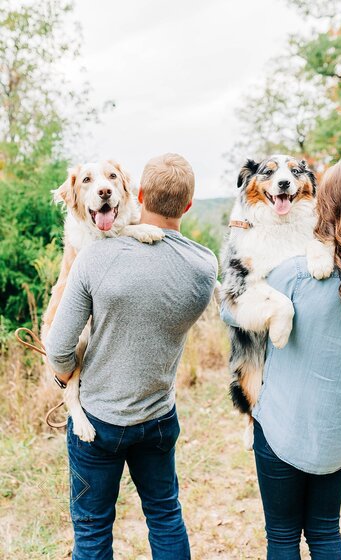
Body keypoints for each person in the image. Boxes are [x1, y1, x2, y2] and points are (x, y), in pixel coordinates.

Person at [221, 154, 341, 559]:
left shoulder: (295, 273)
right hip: (338, 432)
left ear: (327, 200)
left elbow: (229, 305)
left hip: (283, 427)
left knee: (283, 536)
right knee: (324, 533)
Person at [45, 153, 218, 560]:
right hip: (159, 417)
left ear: (133, 192)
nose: (102, 189)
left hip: (99, 421)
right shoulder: (204, 264)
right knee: (164, 515)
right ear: (190, 205)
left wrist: (64, 376)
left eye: (110, 182)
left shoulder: (93, 259)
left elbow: (57, 347)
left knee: (91, 530)